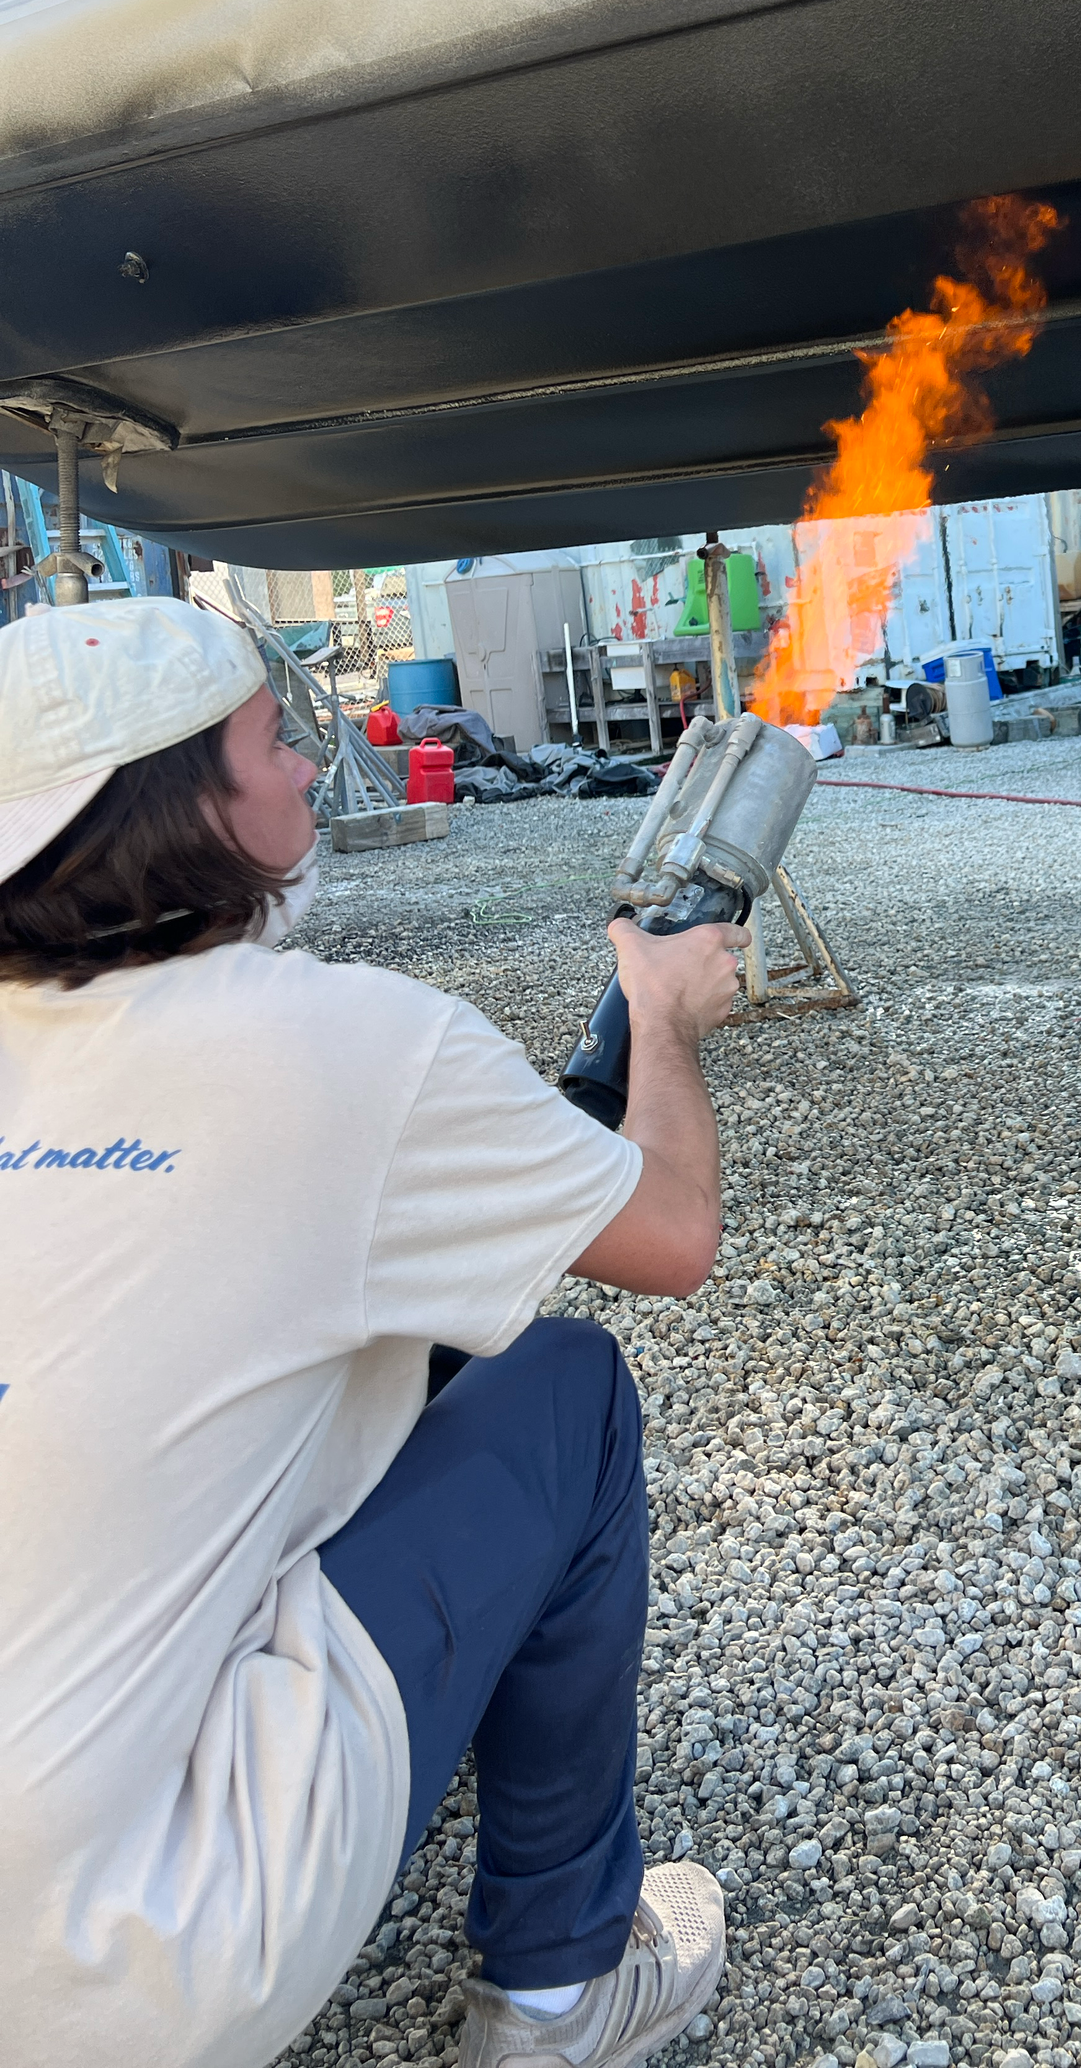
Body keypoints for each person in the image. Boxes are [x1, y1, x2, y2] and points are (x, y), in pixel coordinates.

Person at [0, 597, 750, 2068]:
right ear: (186, 806)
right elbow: (671, 1239)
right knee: (565, 1389)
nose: (305, 772)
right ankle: (557, 1996)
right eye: (275, 743)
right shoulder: (343, 1041)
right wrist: (661, 1022)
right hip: (105, 1976)